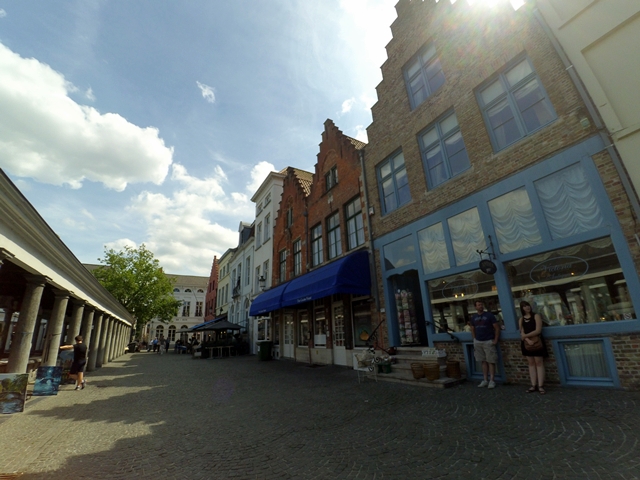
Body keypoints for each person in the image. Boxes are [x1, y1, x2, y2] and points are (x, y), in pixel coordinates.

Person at [519, 300, 548, 394]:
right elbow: (521, 332)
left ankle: (540, 385)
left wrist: (527, 336)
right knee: (531, 363)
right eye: (525, 306)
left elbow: (538, 330)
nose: (527, 307)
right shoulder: (521, 319)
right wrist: (527, 340)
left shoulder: (536, 316)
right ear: (522, 308)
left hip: (537, 341)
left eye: (528, 305)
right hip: (527, 343)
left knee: (539, 362)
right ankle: (533, 385)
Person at [470, 300, 500, 389]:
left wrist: (495, 339)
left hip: (488, 340)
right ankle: (485, 379)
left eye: (481, 304)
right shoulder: (473, 317)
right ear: (475, 307)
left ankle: (492, 380)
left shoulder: (489, 315)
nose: (480, 306)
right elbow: (472, 328)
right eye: (478, 305)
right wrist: (474, 339)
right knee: (483, 361)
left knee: (491, 360)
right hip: (478, 341)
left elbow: (497, 328)